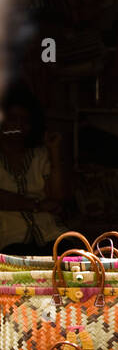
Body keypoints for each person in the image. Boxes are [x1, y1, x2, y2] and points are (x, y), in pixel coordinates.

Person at [0, 82, 66, 253]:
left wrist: (54, 152)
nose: (19, 126)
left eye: (25, 121)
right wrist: (36, 204)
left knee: (71, 258)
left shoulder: (40, 155)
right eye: (13, 119)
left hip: (51, 234)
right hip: (10, 239)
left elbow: (57, 196)